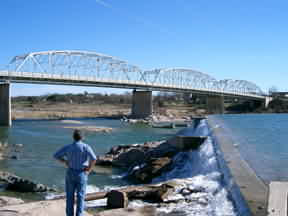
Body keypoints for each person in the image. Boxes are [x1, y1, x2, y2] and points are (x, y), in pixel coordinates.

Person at [54, 129, 97, 216]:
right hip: (82, 173)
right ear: (82, 137)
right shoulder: (86, 147)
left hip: (70, 172)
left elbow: (56, 155)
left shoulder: (68, 147)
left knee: (70, 197)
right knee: (81, 197)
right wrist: (89, 169)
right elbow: (94, 159)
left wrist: (65, 161)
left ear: (73, 137)